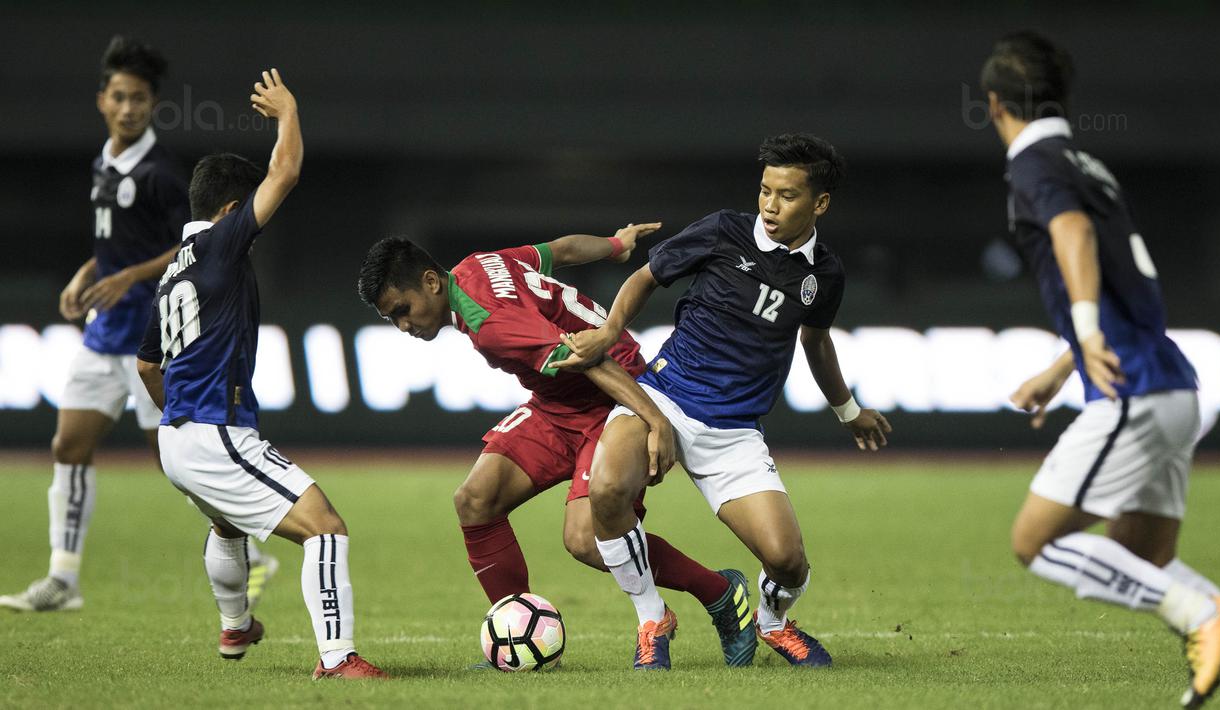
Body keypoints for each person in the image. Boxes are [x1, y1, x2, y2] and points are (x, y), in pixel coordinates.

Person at [558, 133, 892, 669]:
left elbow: (816, 341)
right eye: (764, 190)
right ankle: (651, 617)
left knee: (788, 562)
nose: (769, 205)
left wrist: (848, 412)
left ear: (819, 204)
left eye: (786, 195)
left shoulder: (823, 274)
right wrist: (611, 329)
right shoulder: (721, 231)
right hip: (663, 396)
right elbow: (646, 277)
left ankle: (772, 622)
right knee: (608, 490)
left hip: (734, 431)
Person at [356, 227, 758, 668]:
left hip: (613, 396)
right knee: (475, 500)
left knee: (586, 539)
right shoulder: (475, 265)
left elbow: (590, 358)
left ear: (431, 282)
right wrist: (614, 246)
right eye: (392, 319)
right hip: (557, 404)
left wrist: (655, 418)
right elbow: (560, 250)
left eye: (402, 310)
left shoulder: (490, 324)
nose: (403, 326)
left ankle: (720, 593)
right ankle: (517, 641)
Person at [981, 30, 1220, 708]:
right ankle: (1211, 611)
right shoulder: (1087, 163)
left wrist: (1085, 332)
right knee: (1143, 557)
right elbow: (1117, 271)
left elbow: (1073, 236)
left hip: (1131, 393)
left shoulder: (1034, 164)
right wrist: (1065, 362)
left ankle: (1201, 616)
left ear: (995, 105)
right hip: (1172, 385)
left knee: (1034, 542)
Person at [0, 36, 275, 614]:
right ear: (102, 99)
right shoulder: (104, 162)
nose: (129, 108)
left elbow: (191, 244)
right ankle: (63, 578)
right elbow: (115, 246)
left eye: (140, 99)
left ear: (153, 104)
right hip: (102, 338)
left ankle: (246, 546)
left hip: (154, 337)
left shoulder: (160, 175)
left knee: (178, 462)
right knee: (68, 446)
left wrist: (127, 278)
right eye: (119, 97)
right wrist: (87, 273)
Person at [135, 69, 384, 679]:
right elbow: (286, 172)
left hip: (179, 436)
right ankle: (338, 658)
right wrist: (289, 111)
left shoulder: (172, 272)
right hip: (213, 433)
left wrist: (179, 415)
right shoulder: (222, 243)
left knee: (227, 521)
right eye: (245, 212)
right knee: (325, 527)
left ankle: (235, 624)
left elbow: (146, 363)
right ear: (227, 210)